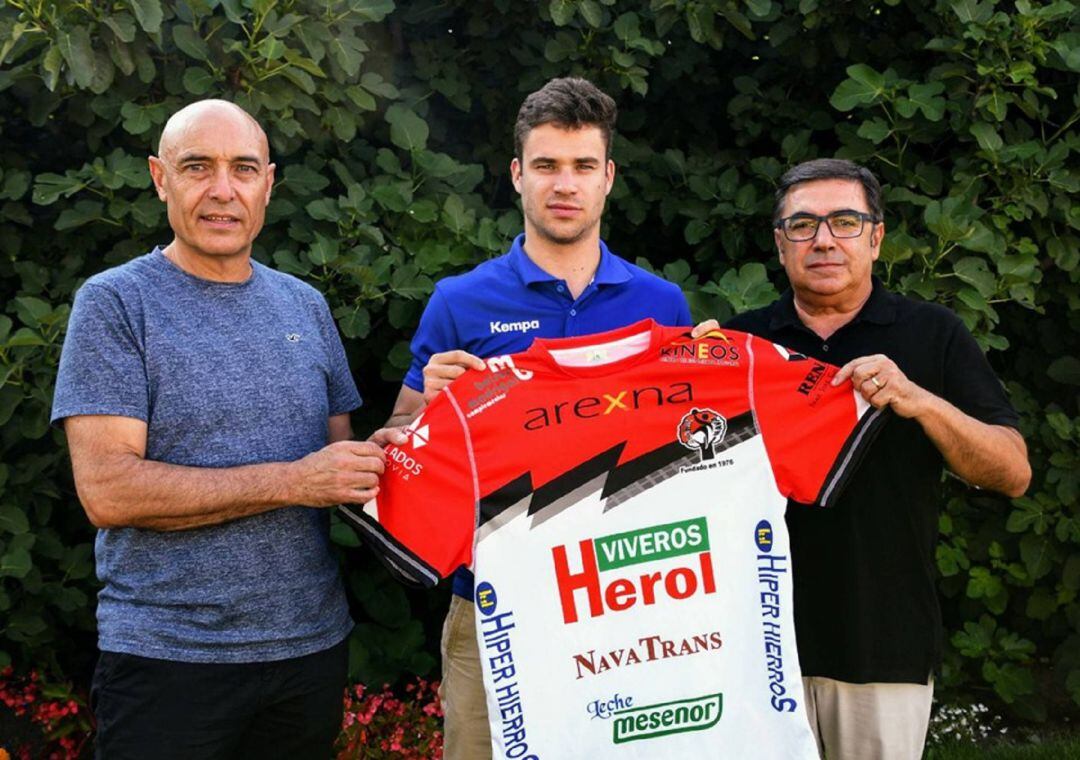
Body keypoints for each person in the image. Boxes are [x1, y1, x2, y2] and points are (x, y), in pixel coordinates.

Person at [381, 77, 711, 759]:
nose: (565, 184)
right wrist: (424, 415)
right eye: (547, 166)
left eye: (583, 166)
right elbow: (397, 452)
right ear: (517, 175)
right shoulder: (460, 302)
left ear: (608, 177)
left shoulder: (660, 305)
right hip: (492, 605)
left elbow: (688, 458)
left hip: (624, 602)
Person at [51, 100, 386, 758]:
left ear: (269, 183)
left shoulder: (305, 305)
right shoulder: (116, 303)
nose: (223, 190)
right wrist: (294, 481)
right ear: (159, 178)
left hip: (307, 653)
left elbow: (338, 466)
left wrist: (422, 418)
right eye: (197, 167)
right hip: (169, 661)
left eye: (244, 168)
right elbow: (110, 492)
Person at [725, 158, 1031, 760]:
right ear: (779, 242)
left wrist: (920, 402)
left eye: (844, 221)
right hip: (751, 647)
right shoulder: (741, 344)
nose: (823, 240)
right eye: (802, 225)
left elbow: (1012, 471)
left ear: (876, 236)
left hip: (881, 643)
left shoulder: (931, 333)